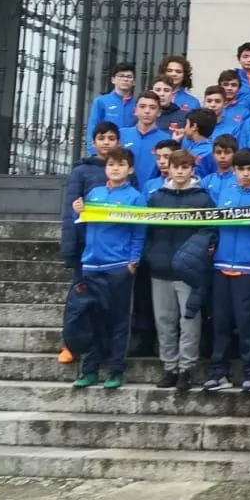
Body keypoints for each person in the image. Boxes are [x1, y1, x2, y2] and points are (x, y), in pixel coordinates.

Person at [71, 148, 146, 390]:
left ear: (130, 169)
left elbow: (139, 232)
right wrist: (78, 211)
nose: (115, 168)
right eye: (111, 164)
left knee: (118, 320)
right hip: (92, 264)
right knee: (92, 319)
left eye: (121, 164)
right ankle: (90, 369)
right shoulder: (95, 193)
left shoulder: (136, 198)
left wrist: (133, 261)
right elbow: (84, 226)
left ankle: (115, 370)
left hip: (118, 266)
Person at [204, 149, 250, 392]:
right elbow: (212, 224)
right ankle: (218, 372)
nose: (245, 174)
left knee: (247, 323)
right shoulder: (222, 191)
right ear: (233, 171)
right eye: (241, 169)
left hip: (249, 266)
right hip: (221, 264)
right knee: (220, 322)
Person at [144, 149, 214, 392]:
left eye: (185, 167)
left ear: (192, 169)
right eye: (176, 167)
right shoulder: (156, 197)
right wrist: (151, 256)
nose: (181, 171)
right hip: (160, 269)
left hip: (189, 272)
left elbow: (211, 231)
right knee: (164, 321)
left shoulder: (203, 198)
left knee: (189, 321)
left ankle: (186, 368)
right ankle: (169, 367)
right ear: (169, 169)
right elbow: (148, 232)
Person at [59, 122, 121, 364]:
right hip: (85, 249)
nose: (106, 142)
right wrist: (70, 246)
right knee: (79, 303)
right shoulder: (81, 172)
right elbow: (70, 211)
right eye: (102, 138)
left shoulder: (125, 171)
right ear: (93, 142)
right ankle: (71, 345)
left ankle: (103, 347)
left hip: (113, 251)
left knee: (108, 304)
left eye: (111, 138)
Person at [120, 92, 170, 188]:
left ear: (159, 112)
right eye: (142, 106)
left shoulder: (167, 139)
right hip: (124, 195)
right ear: (135, 110)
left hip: (153, 193)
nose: (147, 111)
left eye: (152, 107)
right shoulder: (122, 135)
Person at [86, 61, 137, 142]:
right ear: (113, 80)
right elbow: (93, 128)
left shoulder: (138, 104)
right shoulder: (101, 102)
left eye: (129, 76)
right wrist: (93, 153)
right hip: (106, 149)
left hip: (128, 151)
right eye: (121, 76)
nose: (125, 79)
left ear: (134, 82)